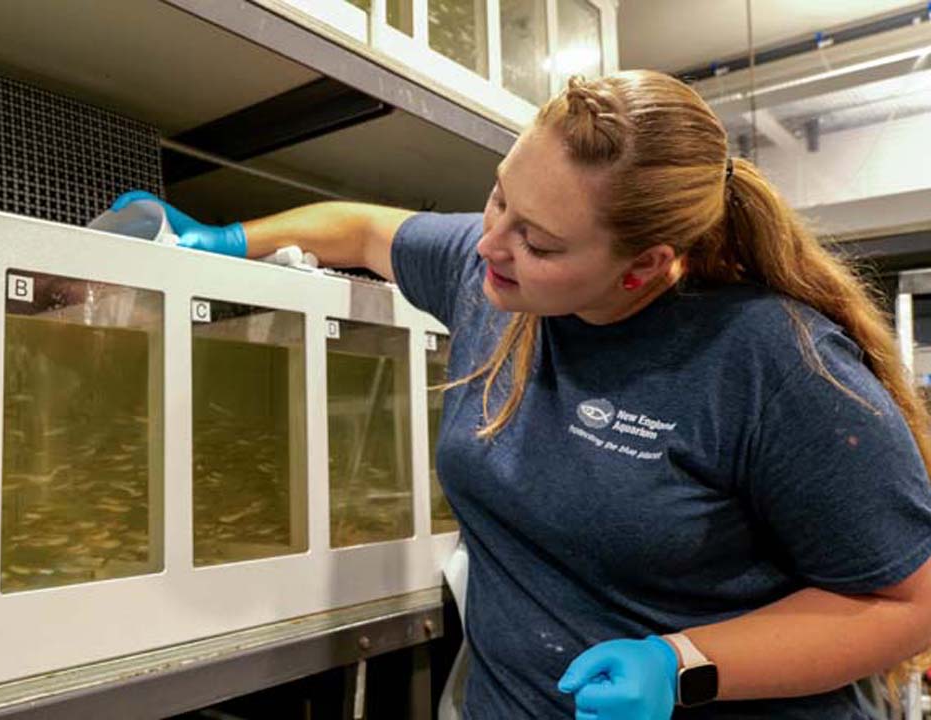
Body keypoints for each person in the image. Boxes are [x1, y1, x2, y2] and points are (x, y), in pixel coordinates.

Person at [110, 69, 931, 719]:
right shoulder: (489, 270)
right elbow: (362, 230)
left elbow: (907, 604)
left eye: (536, 241)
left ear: (644, 267)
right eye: (500, 194)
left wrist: (687, 663)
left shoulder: (773, 364)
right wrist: (221, 241)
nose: (492, 243)